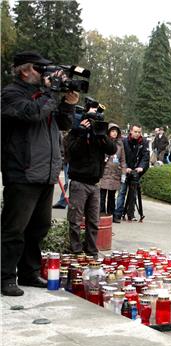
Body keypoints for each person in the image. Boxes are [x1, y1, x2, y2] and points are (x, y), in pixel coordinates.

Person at [1, 51, 78, 296]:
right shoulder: (11, 94)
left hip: (45, 172)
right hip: (22, 172)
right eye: (39, 68)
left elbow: (63, 125)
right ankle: (5, 277)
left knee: (39, 227)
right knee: (14, 228)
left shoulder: (45, 96)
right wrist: (51, 92)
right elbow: (33, 112)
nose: (45, 73)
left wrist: (67, 103)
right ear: (25, 70)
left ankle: (28, 272)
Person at [67, 108, 117, 256]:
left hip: (94, 184)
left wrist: (102, 135)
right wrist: (82, 134)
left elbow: (112, 149)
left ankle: (91, 250)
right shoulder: (76, 132)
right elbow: (72, 151)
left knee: (94, 221)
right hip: (78, 181)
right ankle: (76, 250)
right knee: (75, 220)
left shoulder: (99, 135)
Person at [113, 124, 149, 223]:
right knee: (122, 192)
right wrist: (125, 168)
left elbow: (145, 157)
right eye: (135, 131)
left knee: (134, 194)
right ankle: (117, 214)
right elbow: (120, 156)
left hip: (136, 172)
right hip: (125, 170)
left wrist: (141, 167)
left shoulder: (144, 142)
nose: (137, 134)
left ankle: (130, 213)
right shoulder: (124, 141)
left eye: (139, 132)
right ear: (131, 131)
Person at [99, 123, 126, 215]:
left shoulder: (120, 144)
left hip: (115, 173)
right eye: (112, 131)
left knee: (112, 196)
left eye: (116, 131)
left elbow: (123, 159)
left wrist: (123, 173)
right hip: (105, 172)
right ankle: (101, 213)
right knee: (102, 194)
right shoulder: (104, 141)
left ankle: (111, 214)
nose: (114, 133)